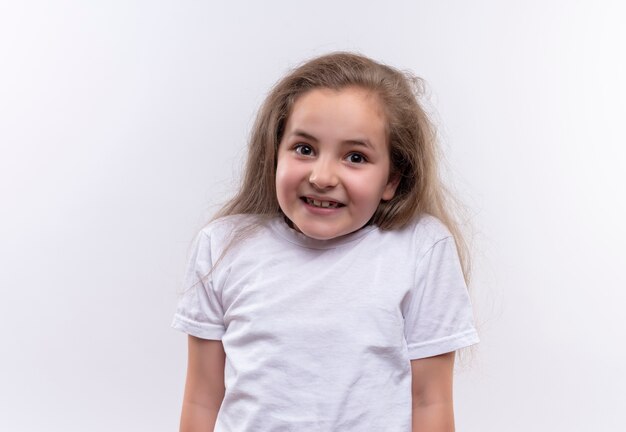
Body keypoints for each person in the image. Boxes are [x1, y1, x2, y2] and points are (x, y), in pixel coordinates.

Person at [172, 52, 480, 431]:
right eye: (304, 149)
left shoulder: (420, 248)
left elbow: (430, 401)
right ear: (274, 154)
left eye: (355, 156)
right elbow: (202, 399)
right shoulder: (222, 246)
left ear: (391, 180)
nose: (321, 176)